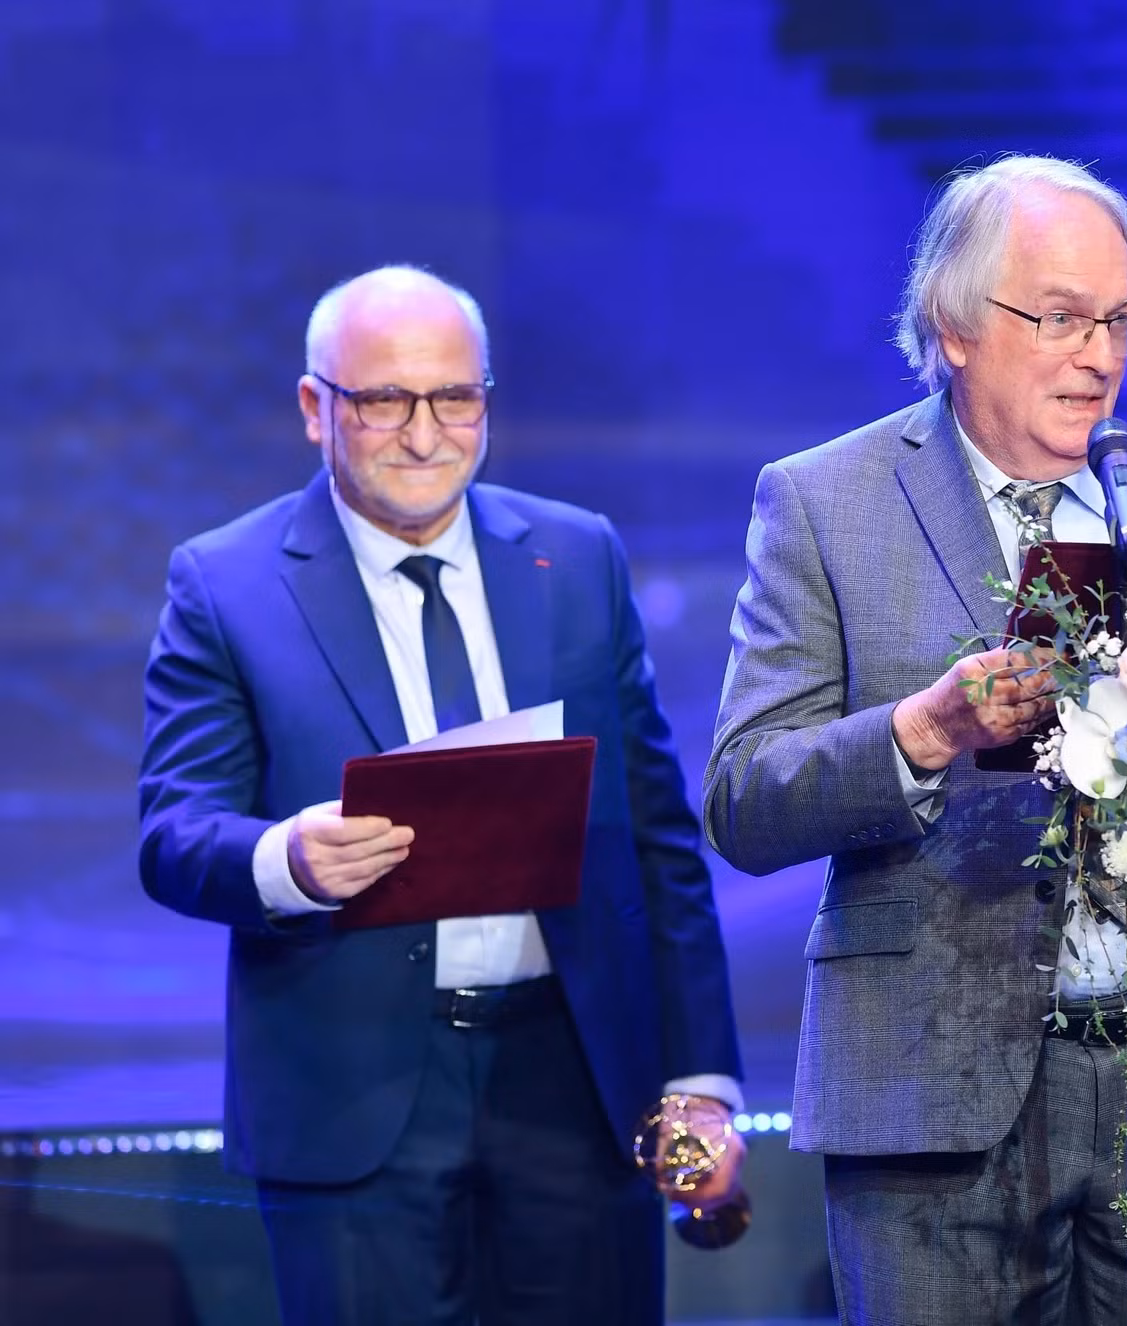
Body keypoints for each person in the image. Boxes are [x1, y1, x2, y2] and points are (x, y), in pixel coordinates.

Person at [703, 155, 1127, 1324]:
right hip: (928, 1098)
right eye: (1062, 317)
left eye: (1122, 319)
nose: (1102, 355)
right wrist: (920, 732)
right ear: (953, 327)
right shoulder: (824, 503)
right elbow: (744, 796)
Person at [137, 265, 744, 1326]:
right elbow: (174, 831)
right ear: (314, 407)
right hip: (351, 1095)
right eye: (384, 400)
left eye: (455, 397)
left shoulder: (576, 555)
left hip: (574, 1077)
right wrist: (284, 860)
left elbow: (656, 839)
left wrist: (700, 1078)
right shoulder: (224, 582)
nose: (424, 433)